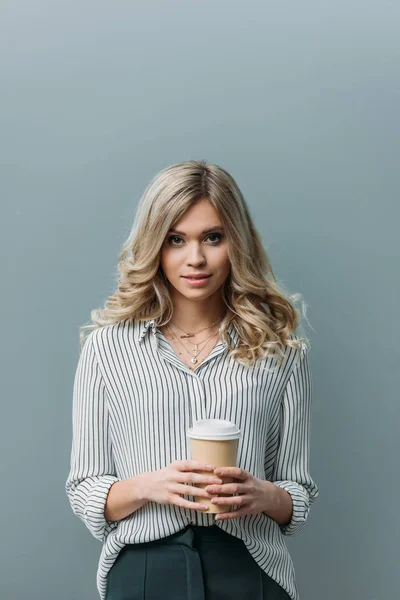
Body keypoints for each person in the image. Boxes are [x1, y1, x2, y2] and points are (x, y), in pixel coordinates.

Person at [65, 159, 319, 600]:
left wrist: (262, 494)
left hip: (249, 564)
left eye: (213, 238)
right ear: (155, 246)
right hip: (144, 565)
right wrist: (150, 486)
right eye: (176, 240)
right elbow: (85, 488)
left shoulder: (280, 352)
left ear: (236, 243)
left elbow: (298, 490)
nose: (195, 258)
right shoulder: (106, 348)